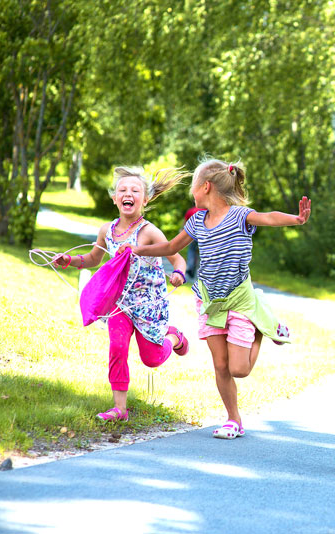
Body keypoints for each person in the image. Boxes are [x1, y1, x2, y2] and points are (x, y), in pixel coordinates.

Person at [125, 158, 311, 439]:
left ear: (206, 187)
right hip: (209, 302)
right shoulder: (197, 221)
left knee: (240, 369)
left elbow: (269, 216)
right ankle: (233, 419)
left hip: (239, 300)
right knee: (221, 365)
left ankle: (262, 327)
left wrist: (295, 219)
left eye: (194, 188)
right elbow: (172, 246)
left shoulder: (239, 216)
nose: (193, 194)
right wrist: (138, 250)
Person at [53, 166, 191, 422]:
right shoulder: (107, 230)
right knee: (117, 347)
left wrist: (179, 274)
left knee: (152, 360)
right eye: (122, 190)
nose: (128, 194)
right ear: (115, 198)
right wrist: (69, 260)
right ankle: (119, 409)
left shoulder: (149, 232)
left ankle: (174, 337)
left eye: (135, 190)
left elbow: (177, 258)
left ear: (145, 199)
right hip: (120, 304)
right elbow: (93, 259)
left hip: (149, 304)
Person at [183, 206, 203, 279]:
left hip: (192, 235)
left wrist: (182, 230)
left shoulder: (190, 211)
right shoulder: (205, 210)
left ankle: (190, 267)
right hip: (203, 235)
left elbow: (185, 223)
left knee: (191, 250)